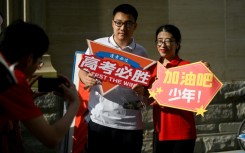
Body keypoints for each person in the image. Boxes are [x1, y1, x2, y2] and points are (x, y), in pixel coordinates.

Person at [0, 20, 80, 153]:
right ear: (29, 59)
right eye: (39, 61)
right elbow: (51, 138)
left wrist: (26, 99)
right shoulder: (14, 79)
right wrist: (75, 103)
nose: (39, 65)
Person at [78, 3, 148, 153]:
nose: (122, 28)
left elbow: (146, 85)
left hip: (130, 124)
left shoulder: (142, 52)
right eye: (119, 23)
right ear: (112, 23)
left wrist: (142, 89)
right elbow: (82, 71)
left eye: (128, 23)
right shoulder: (97, 45)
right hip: (100, 120)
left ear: (135, 26)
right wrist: (86, 79)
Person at [148, 24, 209, 153]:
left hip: (182, 133)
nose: (163, 45)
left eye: (168, 40)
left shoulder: (187, 67)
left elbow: (199, 95)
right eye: (159, 41)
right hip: (160, 131)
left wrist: (205, 72)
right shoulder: (152, 69)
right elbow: (147, 98)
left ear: (178, 43)